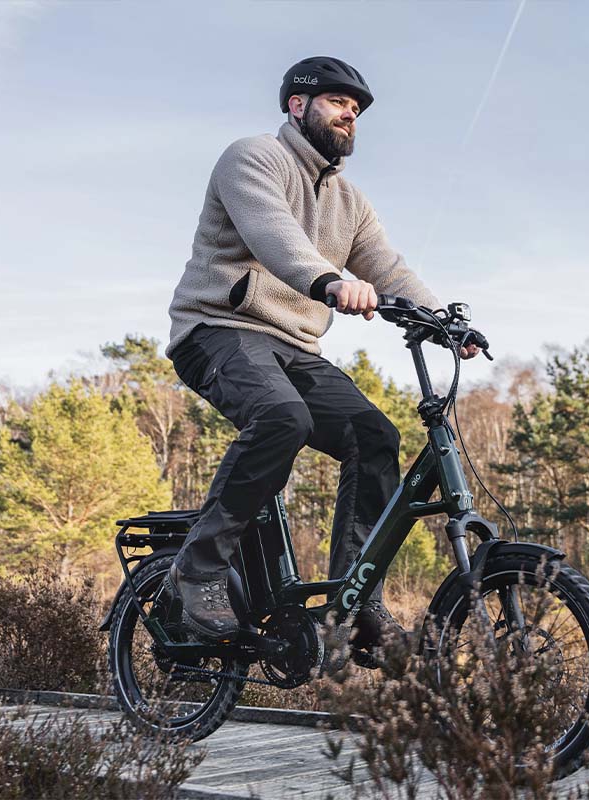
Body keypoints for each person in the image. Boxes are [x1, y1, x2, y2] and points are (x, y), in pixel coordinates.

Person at [163, 56, 478, 665]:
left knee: (376, 437)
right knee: (284, 418)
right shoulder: (252, 158)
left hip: (294, 346)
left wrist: (445, 322)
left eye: (356, 111)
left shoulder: (350, 201)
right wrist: (329, 281)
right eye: (338, 103)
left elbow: (389, 267)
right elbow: (273, 234)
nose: (349, 116)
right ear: (297, 105)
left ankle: (357, 606)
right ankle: (196, 570)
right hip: (218, 329)